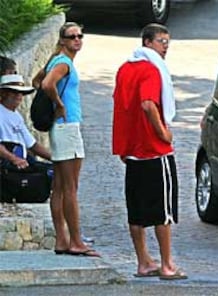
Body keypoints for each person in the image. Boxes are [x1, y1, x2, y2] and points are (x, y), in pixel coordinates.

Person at [112, 23, 187, 280]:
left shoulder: (125, 69)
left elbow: (121, 106)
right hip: (155, 150)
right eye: (161, 41)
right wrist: (163, 133)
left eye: (167, 42)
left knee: (136, 210)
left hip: (133, 151)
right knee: (162, 211)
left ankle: (143, 261)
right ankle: (167, 264)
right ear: (147, 42)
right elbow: (147, 104)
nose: (166, 47)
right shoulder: (152, 71)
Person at [39, 22, 99, 257]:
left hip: (61, 128)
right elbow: (45, 84)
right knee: (70, 187)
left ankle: (62, 240)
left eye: (79, 36)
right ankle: (75, 241)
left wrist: (54, 103)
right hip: (67, 127)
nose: (77, 40)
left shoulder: (57, 61)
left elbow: (38, 81)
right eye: (71, 36)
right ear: (62, 40)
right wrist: (60, 105)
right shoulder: (63, 63)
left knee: (60, 188)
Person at [0, 74, 51, 168]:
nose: (19, 96)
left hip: (21, 161)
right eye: (14, 92)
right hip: (7, 164)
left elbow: (32, 144)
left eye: (21, 92)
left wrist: (55, 159)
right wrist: (14, 159)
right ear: (3, 93)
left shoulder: (16, 115)